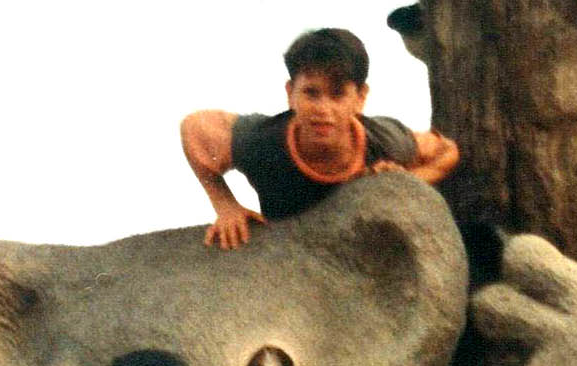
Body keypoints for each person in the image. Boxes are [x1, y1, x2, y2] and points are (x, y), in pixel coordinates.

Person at [180, 28, 459, 249]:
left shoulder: (386, 141)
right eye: (311, 93)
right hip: (289, 255)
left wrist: (405, 181)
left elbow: (448, 152)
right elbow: (195, 127)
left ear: (360, 98)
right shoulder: (262, 143)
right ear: (291, 93)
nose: (323, 110)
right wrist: (225, 205)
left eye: (338, 95)